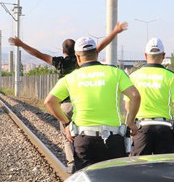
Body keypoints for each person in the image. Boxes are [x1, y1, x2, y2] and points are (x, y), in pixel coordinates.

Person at [9, 21, 129, 171]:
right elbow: (100, 46)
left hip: (65, 105)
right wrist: (115, 31)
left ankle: (72, 162)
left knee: (68, 135)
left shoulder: (59, 62)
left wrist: (21, 44)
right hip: (83, 104)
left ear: (63, 50)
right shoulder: (86, 58)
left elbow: (38, 54)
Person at [44, 36, 140, 171]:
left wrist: (66, 124)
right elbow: (135, 96)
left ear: (78, 57)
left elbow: (49, 102)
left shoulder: (70, 78)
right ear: (97, 53)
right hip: (113, 139)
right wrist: (130, 122)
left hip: (84, 140)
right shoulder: (115, 72)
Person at [128, 38, 174, 155]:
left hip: (142, 128)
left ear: (145, 55)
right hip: (164, 129)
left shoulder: (134, 76)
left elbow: (128, 104)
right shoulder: (171, 77)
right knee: (164, 169)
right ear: (163, 56)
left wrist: (131, 123)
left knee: (140, 168)